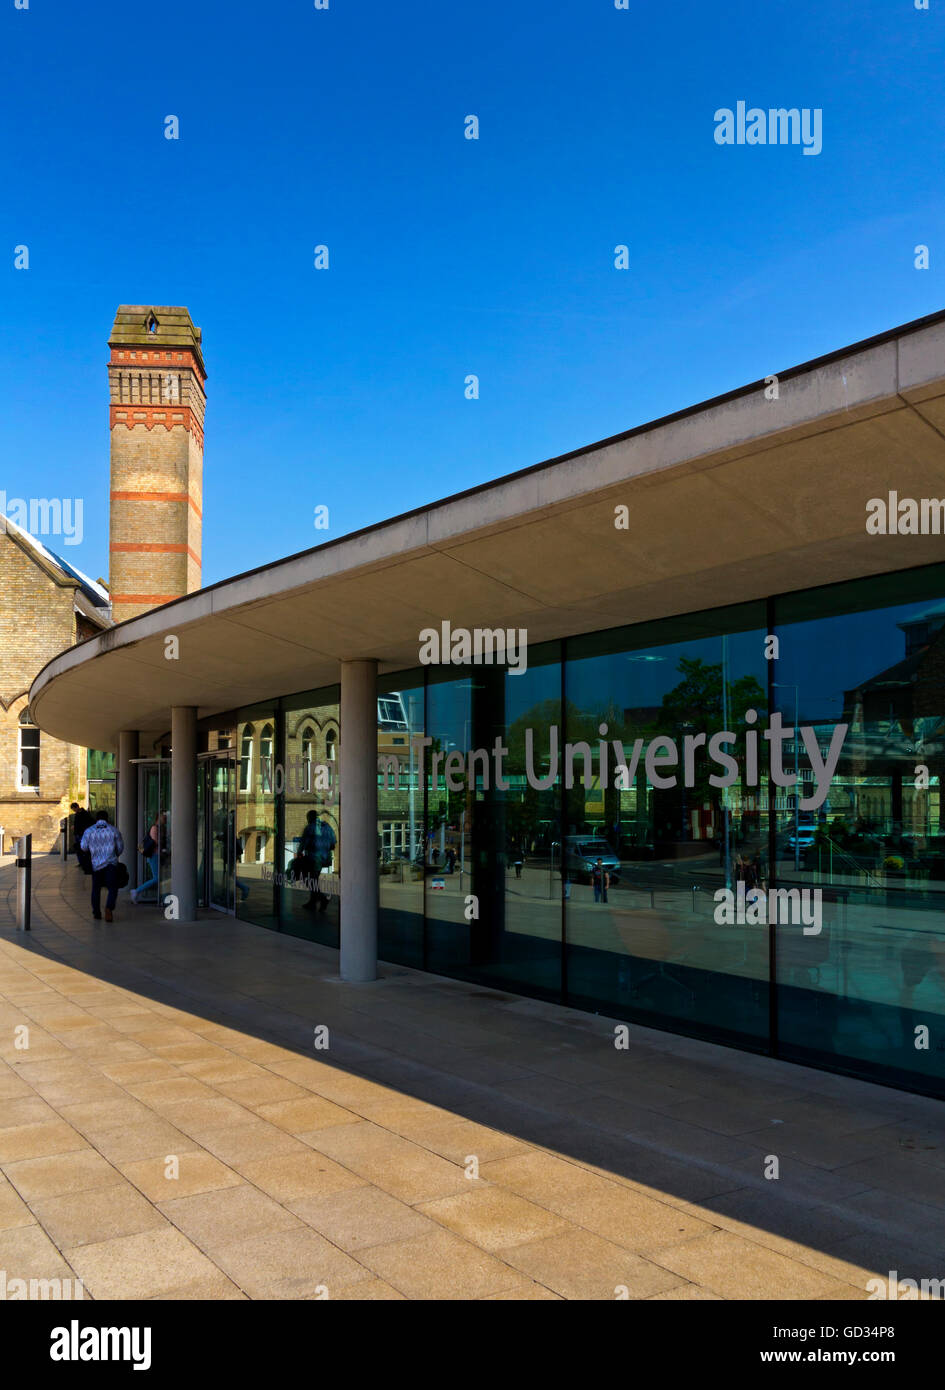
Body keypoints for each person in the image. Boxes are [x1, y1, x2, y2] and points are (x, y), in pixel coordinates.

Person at [80, 810, 124, 922]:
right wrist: (114, 855)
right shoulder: (114, 830)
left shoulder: (89, 831)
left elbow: (83, 847)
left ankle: (96, 913)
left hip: (96, 864)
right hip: (111, 863)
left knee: (96, 889)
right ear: (107, 818)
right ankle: (109, 908)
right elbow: (120, 848)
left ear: (96, 819)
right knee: (113, 888)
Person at [131, 814, 161, 904]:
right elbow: (156, 842)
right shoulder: (155, 828)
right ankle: (136, 891)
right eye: (164, 816)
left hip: (156, 855)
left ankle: (137, 891)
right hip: (154, 855)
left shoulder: (158, 828)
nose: (165, 818)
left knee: (159, 877)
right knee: (157, 878)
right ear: (158, 818)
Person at [71, 802, 94, 873]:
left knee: (83, 849)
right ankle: (81, 862)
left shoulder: (85, 814)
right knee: (78, 849)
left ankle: (84, 862)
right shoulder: (77, 814)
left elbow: (89, 823)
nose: (74, 811)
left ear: (77, 807)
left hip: (82, 834)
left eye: (74, 809)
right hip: (77, 834)